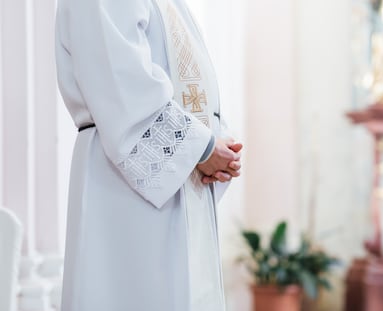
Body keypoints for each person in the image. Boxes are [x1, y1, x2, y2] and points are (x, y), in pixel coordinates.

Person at [55, 0, 243, 310]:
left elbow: (193, 84)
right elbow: (123, 84)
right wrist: (203, 148)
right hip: (120, 185)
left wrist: (218, 141)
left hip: (182, 182)